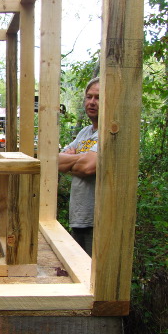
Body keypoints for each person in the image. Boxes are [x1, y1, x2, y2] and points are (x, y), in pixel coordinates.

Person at [58, 77, 99, 256]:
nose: (91, 102)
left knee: (93, 277)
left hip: (98, 222)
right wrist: (78, 161)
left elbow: (88, 168)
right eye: (89, 97)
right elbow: (54, 161)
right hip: (78, 218)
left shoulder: (110, 133)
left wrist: (72, 162)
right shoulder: (85, 133)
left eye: (98, 98)